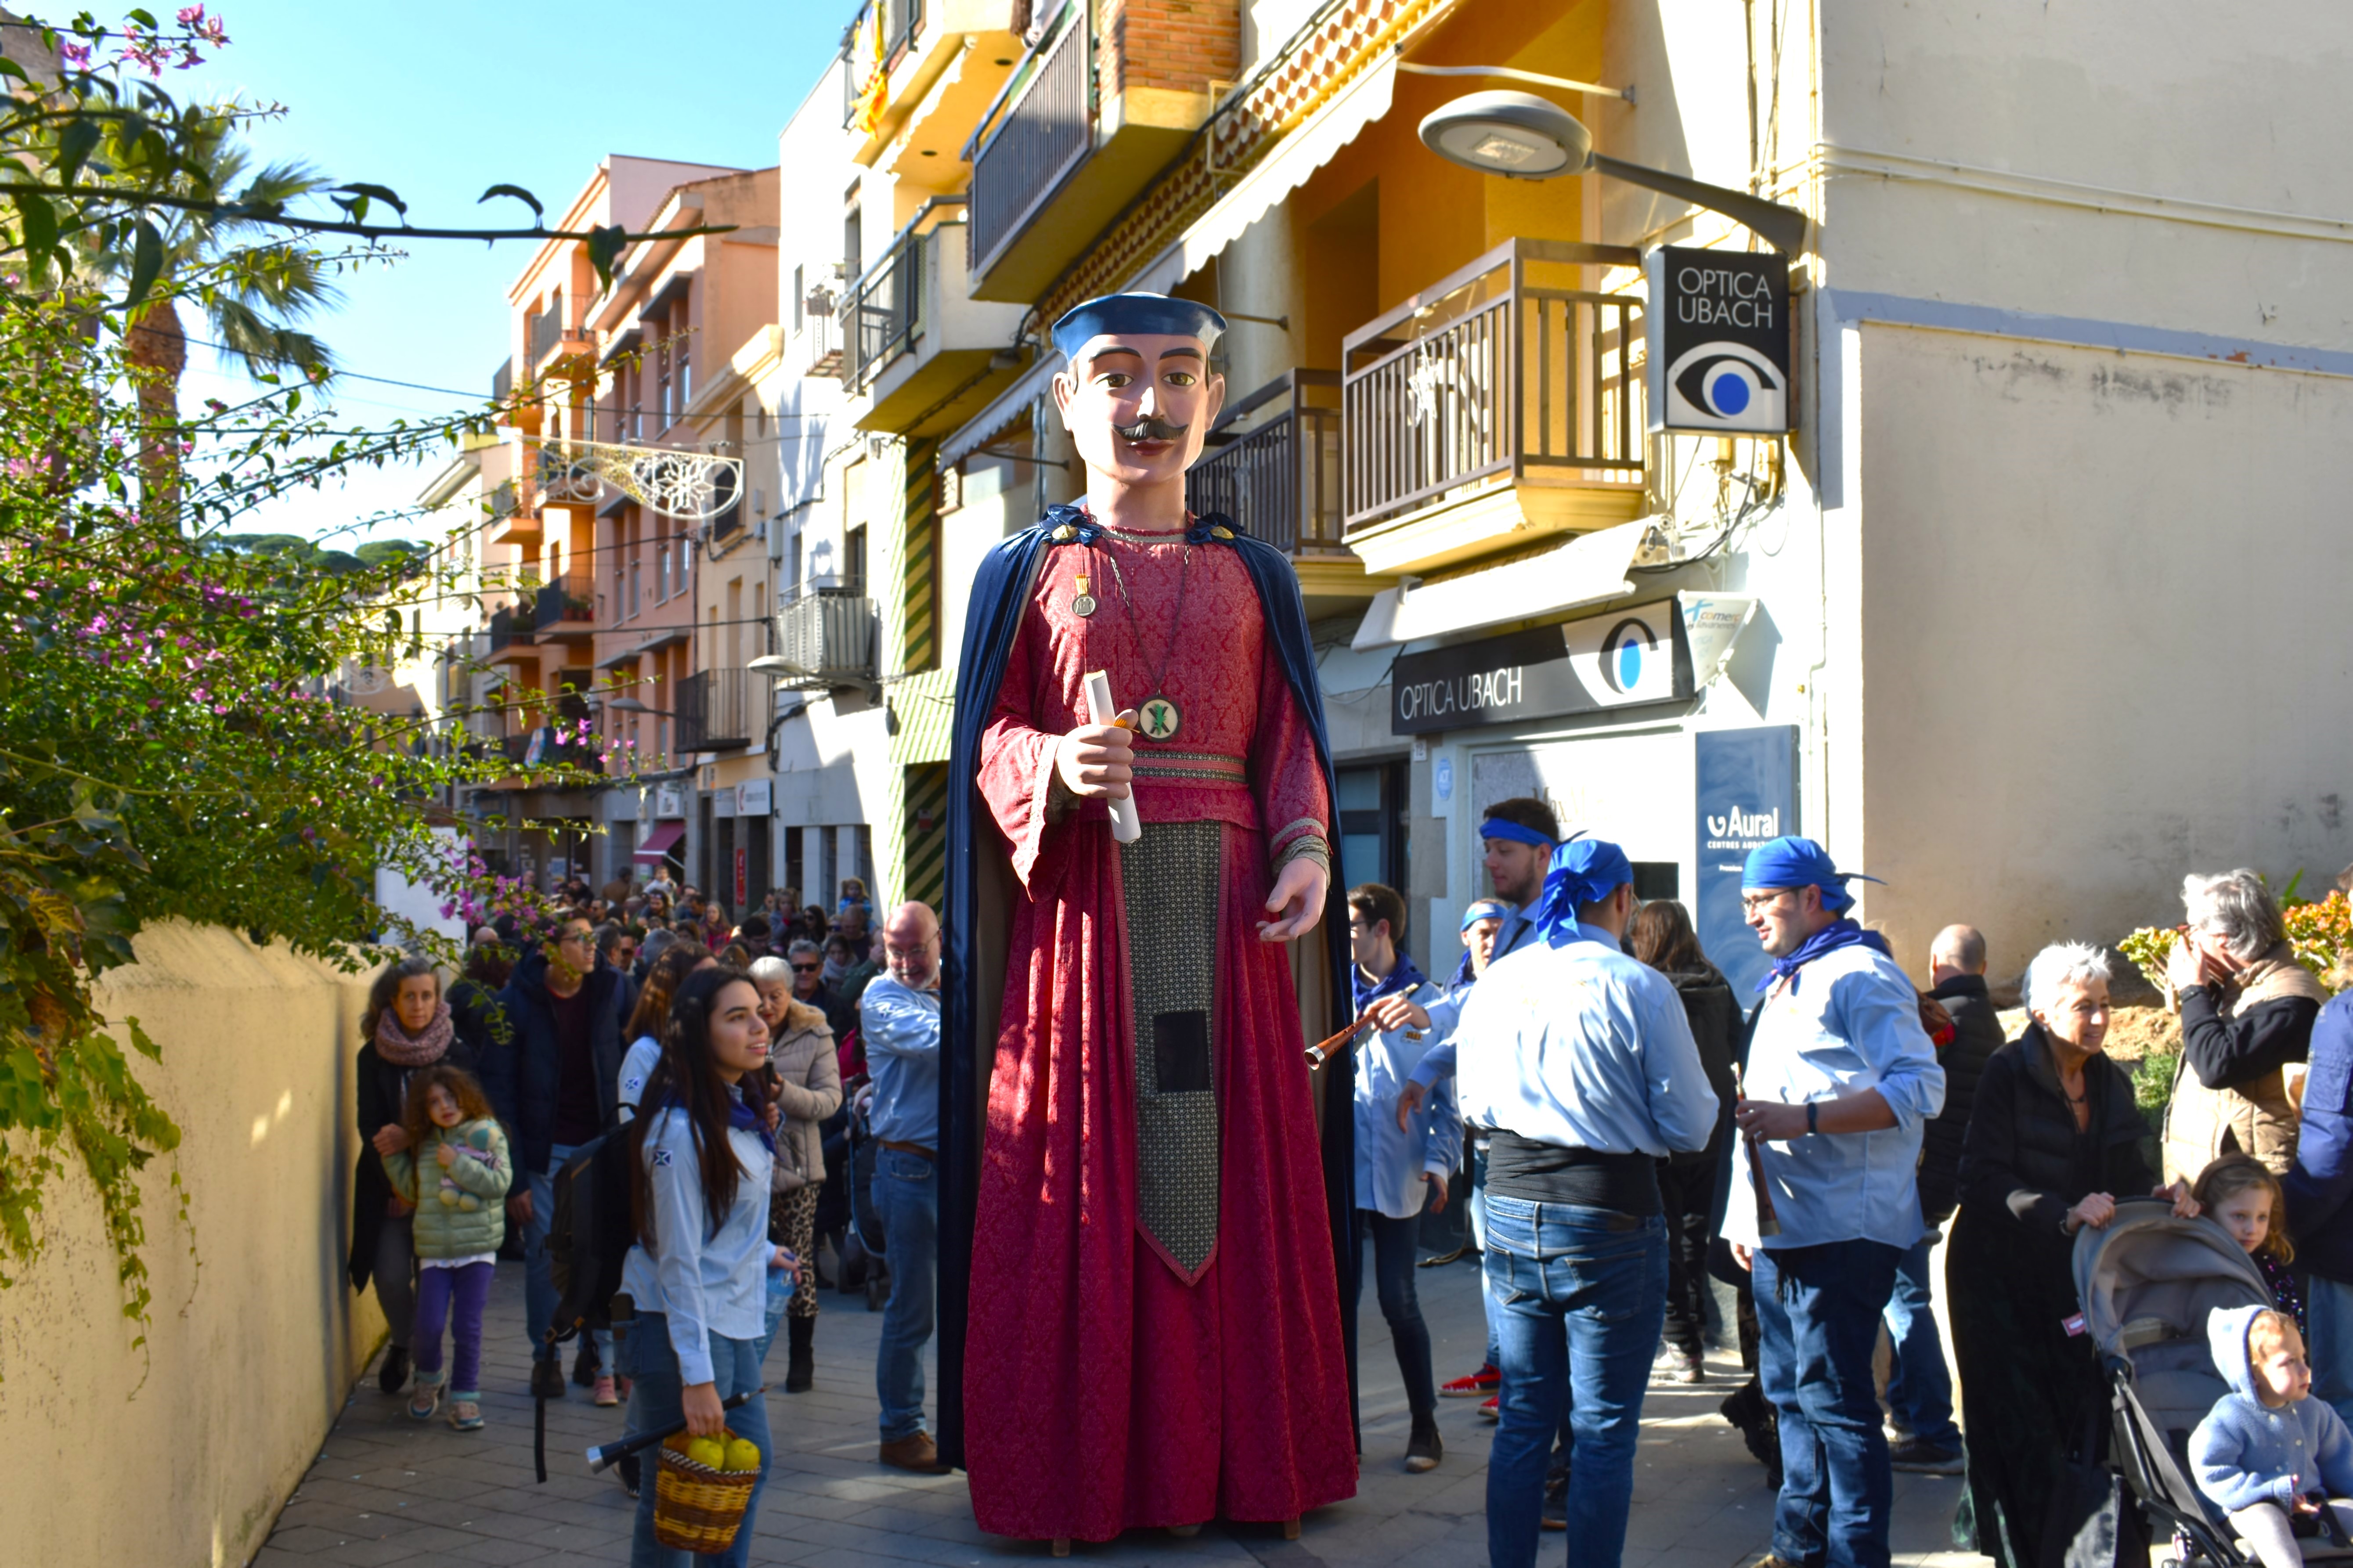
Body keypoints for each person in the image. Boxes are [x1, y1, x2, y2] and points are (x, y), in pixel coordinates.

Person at [940, 291, 1355, 1547]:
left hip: (1228, 927)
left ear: (1211, 402)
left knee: (1230, 1185)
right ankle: (1079, 1477)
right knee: (1075, 1174)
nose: (1148, 404)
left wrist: (1303, 846)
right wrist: (1051, 764)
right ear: (1066, 403)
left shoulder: (1256, 575)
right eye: (1116, 376)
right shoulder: (1023, 573)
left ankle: (1248, 1470)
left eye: (1177, 376)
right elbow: (987, 736)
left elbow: (1289, 739)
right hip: (1081, 925)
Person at [1455, 838, 1719, 1568]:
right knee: (1601, 1430)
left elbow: (1471, 1103)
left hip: (1510, 1207)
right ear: (1623, 900)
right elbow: (1691, 1124)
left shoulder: (1498, 980)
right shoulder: (1637, 985)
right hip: (1606, 1216)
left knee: (1522, 1422)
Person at [1722, 836, 1945, 1568]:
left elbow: (1920, 1088)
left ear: (1813, 898)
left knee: (1838, 1408)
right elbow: (1756, 1108)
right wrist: (1742, 1219)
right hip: (1783, 1232)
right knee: (1788, 1397)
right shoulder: (1788, 977)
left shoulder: (1860, 973)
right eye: (1747, 902)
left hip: (1842, 1234)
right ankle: (1796, 1548)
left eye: (1765, 901)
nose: (1751, 916)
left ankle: (1855, 1556)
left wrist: (1805, 1119)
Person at [1946, 941, 2193, 1568]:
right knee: (2016, 1425)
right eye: (2083, 1006)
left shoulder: (2107, 1076)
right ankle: (2019, 1552)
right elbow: (1979, 1178)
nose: (2101, 1019)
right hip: (1995, 1275)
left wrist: (2162, 1194)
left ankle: (2068, 1548)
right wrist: (2060, 1209)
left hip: (2070, 1275)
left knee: (2070, 1418)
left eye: (2105, 1004)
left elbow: (2126, 1170)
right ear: (2039, 1011)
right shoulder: (2008, 1070)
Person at [1384, 799, 1563, 1413]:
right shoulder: (1518, 923)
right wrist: (1428, 1062)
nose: (1489, 861)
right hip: (1502, 1143)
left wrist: (1429, 1028)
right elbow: (1482, 1004)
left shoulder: (1554, 928)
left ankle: (1548, 1432)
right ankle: (1515, 1388)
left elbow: (1497, 1008)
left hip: (1544, 1146)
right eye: (1486, 848)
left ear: (1543, 854)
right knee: (1512, 1287)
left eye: (1503, 850)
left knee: (1537, 1298)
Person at [613, 966, 787, 1568]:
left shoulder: (737, 1109)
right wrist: (696, 1375)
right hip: (678, 1325)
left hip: (733, 1317)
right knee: (677, 1493)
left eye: (759, 1010)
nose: (758, 1024)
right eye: (735, 1016)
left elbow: (719, 1218)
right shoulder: (679, 1128)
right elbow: (676, 1257)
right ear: (697, 1032)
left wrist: (763, 1251)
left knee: (744, 1471)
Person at [482, 912, 625, 1403]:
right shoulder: (516, 1003)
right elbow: (499, 1094)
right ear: (550, 948)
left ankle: (597, 1350)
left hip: (600, 1145)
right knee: (546, 1257)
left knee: (599, 1252)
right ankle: (547, 1354)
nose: (592, 948)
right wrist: (516, 1177)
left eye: (594, 939)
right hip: (544, 1152)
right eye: (579, 940)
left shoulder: (611, 989)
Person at [1346, 881, 1458, 1474]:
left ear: (1382, 929)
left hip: (1399, 1171)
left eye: (1352, 927)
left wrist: (1439, 1164)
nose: (1345, 938)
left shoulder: (1430, 1002)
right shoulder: (1332, 992)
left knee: (1397, 1298)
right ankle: (1339, 1430)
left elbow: (1448, 1101)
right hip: (1339, 1171)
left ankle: (1424, 1422)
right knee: (1338, 1302)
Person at [1882, 923, 2002, 1475]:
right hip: (1953, 1175)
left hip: (1919, 1175)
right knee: (1905, 1294)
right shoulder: (1990, 1021)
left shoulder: (1938, 1020)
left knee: (1905, 1300)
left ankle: (1933, 1429)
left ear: (1935, 963)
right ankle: (1910, 1414)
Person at [348, 956, 491, 1397]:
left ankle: (430, 1363)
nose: (418, 1005)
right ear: (392, 1000)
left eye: (427, 995)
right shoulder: (372, 1055)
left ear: (438, 999)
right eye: (409, 996)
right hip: (386, 1186)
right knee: (390, 1273)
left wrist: (411, 1139)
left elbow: (465, 1125)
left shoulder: (457, 1052)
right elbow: (370, 1125)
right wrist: (397, 1184)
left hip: (443, 1189)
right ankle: (404, 1342)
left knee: (436, 1283)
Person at [1624, 898, 1740, 1387]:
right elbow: (1738, 1046)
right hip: (1715, 1130)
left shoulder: (1650, 992)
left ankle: (1682, 1346)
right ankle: (1692, 1334)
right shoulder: (1718, 986)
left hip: (1665, 1132)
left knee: (1664, 1241)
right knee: (1693, 1237)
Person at [2164, 869, 2327, 1182]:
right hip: (2222, 1186)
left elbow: (2216, 1064)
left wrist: (2193, 991)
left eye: (2192, 928)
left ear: (2222, 936)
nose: (2188, 939)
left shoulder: (2288, 1002)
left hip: (2250, 1197)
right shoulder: (2240, 986)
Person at [860, 901, 948, 1472]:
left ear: (938, 940)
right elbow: (946, 1039)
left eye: (917, 948)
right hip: (908, 1170)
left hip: (955, 1167)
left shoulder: (949, 984)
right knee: (912, 1309)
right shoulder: (880, 997)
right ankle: (899, 1428)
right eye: (897, 949)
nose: (908, 960)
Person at [381, 1064, 512, 1432]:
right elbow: (413, 1192)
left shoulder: (485, 1132)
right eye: (434, 1102)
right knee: (428, 1324)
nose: (445, 1106)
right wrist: (392, 1157)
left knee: (467, 1326)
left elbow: (500, 1182)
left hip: (478, 1248)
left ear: (465, 1096)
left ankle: (465, 1397)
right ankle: (430, 1378)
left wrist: (458, 1164)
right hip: (435, 1249)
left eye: (450, 1097)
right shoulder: (425, 1142)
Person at [2191, 1305, 2353, 1568]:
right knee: (2268, 1521)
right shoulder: (2231, 1415)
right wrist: (2272, 1491)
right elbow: (2212, 1470)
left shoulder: (2315, 1410)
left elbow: (2342, 1459)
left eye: (2304, 1358)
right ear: (2253, 1373)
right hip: (2247, 1506)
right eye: (2290, 1362)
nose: (2305, 1371)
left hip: (2310, 1505)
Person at [748, 954, 841, 1394]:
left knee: (797, 1260)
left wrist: (783, 1092)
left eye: (776, 996)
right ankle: (748, 1355)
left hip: (799, 1170)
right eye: (759, 995)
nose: (766, 1006)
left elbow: (829, 1101)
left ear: (791, 994)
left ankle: (801, 1355)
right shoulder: (739, 1027)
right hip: (748, 1167)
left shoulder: (815, 1032)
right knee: (748, 1260)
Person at [2290, 967, 2353, 1427]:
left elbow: (2331, 1149)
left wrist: (2283, 1225)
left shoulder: (2346, 1016)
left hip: (2345, 1250)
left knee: (2343, 1411)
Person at [2198, 1152, 2304, 1332]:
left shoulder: (2272, 1269)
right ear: (2208, 1212)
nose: (2252, 1229)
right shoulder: (2199, 1263)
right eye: (2240, 1216)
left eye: (2262, 1217)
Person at [617, 944, 718, 1121]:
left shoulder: (717, 1043)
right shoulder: (645, 1053)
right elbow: (631, 1128)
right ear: (676, 990)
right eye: (705, 981)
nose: (718, 989)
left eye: (718, 979)